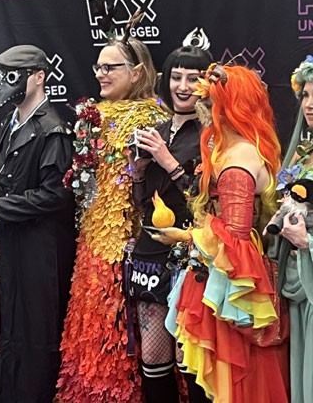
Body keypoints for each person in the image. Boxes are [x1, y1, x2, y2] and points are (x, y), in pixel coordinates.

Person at [157, 64, 288, 402]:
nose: (203, 107)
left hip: (230, 286)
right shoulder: (242, 149)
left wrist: (184, 237)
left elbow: (235, 238)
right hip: (221, 276)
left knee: (228, 379)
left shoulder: (238, 161)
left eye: (210, 101)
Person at [55, 35, 169, 402]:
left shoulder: (152, 117)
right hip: (93, 241)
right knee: (93, 329)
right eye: (98, 67)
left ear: (136, 73)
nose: (101, 74)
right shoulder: (93, 114)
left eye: (110, 67)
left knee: (128, 333)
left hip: (131, 246)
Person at [0, 44, 76, 403]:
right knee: (11, 334)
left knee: (36, 337)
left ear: (39, 77)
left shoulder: (53, 128)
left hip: (40, 248)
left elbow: (54, 195)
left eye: (14, 75)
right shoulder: (8, 125)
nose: (5, 83)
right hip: (12, 244)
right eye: (2, 75)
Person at [128, 45, 211, 403]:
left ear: (207, 85)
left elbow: (206, 200)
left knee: (188, 357)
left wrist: (167, 159)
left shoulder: (212, 135)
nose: (183, 86)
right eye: (176, 77)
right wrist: (138, 172)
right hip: (150, 251)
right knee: (153, 357)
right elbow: (141, 203)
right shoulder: (156, 130)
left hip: (191, 254)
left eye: (193, 79)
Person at [270, 54, 313, 403]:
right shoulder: (301, 154)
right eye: (306, 95)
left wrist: (307, 241)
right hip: (299, 282)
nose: (309, 105)